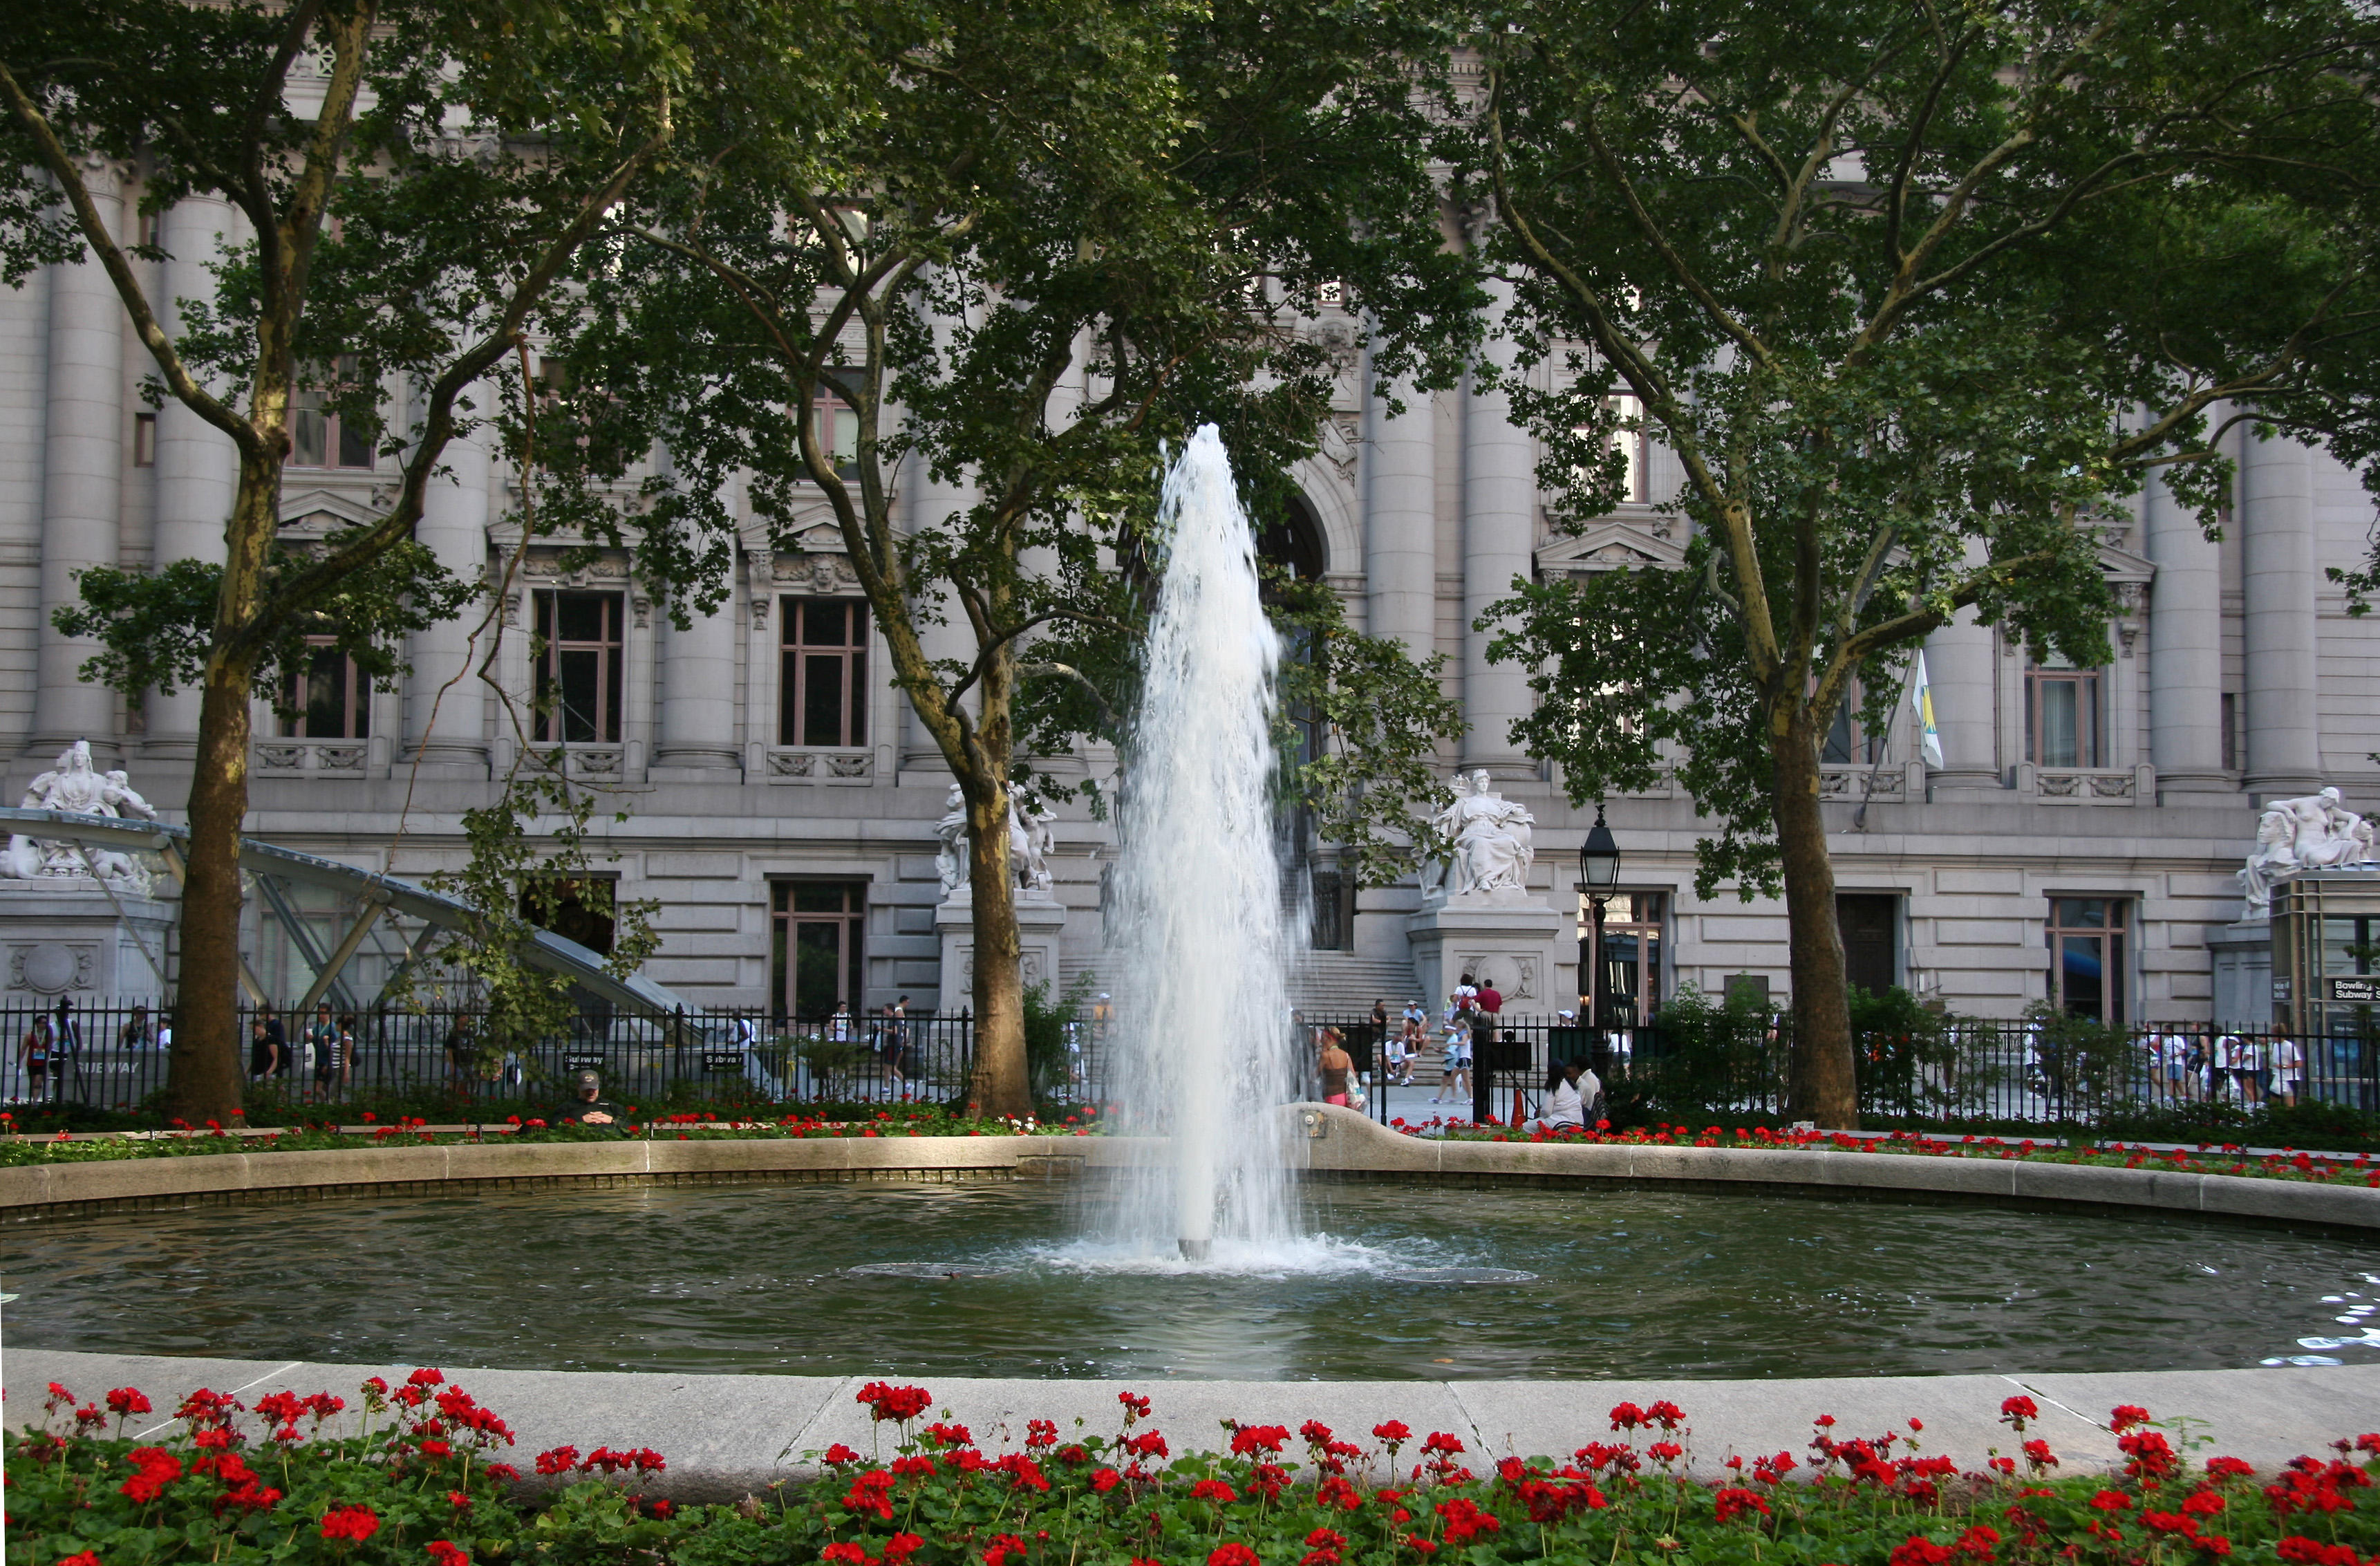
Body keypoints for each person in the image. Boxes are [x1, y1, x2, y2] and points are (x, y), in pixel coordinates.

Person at [554, 1068, 626, 1126]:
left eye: (593, 1089)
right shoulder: (567, 1106)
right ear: (578, 1087)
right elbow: (554, 1125)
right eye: (587, 1090)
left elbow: (629, 1128)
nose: (590, 1093)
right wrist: (580, 1120)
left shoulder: (612, 1106)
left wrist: (613, 1121)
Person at [1316, 1027, 1354, 1108]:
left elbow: (1316, 1074)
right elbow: (1353, 1074)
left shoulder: (1325, 1055)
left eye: (1323, 1038)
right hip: (1345, 1096)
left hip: (1332, 1096)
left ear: (1329, 1039)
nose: (1321, 1041)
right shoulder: (1345, 1055)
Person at [18, 1015, 53, 1102]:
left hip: (42, 1063)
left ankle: (35, 1101)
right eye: (43, 1023)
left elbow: (50, 1047)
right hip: (32, 1062)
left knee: (38, 1082)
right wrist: (19, 1061)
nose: (45, 1025)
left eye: (46, 1023)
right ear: (37, 1024)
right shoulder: (30, 1035)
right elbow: (23, 1049)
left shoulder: (48, 1035)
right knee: (33, 1082)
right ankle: (33, 1099)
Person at [2274, 1033, 2307, 1108]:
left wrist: (2284, 1067)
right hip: (2277, 1078)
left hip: (2289, 1079)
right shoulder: (2275, 1046)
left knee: (2289, 1106)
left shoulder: (2289, 1046)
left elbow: (2299, 1063)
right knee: (2274, 1102)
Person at [247, 1015, 281, 1081]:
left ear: (261, 1026)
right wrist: (247, 1071)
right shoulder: (257, 1041)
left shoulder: (271, 1039)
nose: (254, 1032)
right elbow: (254, 1058)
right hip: (257, 1072)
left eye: (254, 1029)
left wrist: (270, 1071)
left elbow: (276, 1057)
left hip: (267, 1072)